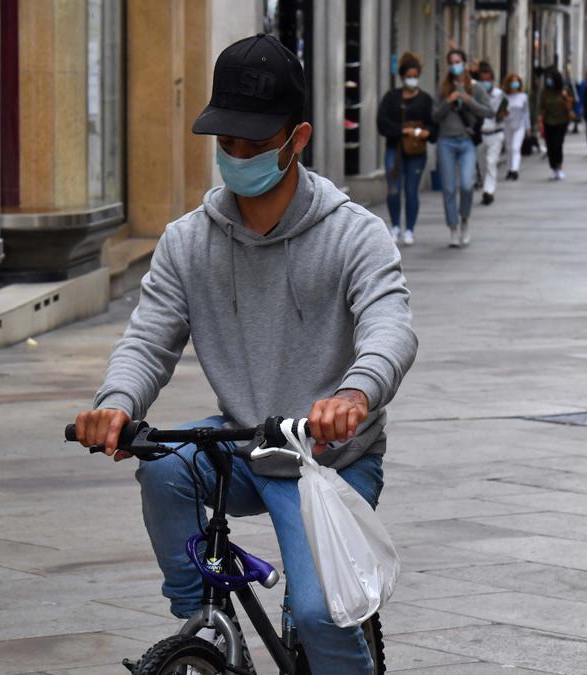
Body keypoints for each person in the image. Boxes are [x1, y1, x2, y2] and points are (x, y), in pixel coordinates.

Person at [73, 35, 418, 674]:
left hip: (329, 460)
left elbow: (390, 326)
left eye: (256, 144)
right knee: (162, 463)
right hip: (243, 443)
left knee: (318, 616)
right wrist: (115, 405)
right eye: (226, 142)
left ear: (298, 138)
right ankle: (202, 619)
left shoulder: (354, 234)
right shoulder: (187, 242)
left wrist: (355, 393)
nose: (238, 156)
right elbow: (148, 339)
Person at [432, 48, 492, 247]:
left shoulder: (475, 87)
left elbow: (489, 111)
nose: (454, 65)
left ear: (465, 63)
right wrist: (447, 103)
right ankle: (453, 228)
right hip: (446, 141)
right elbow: (434, 116)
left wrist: (469, 101)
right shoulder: (442, 88)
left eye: (458, 61)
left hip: (466, 141)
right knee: (448, 188)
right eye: (451, 62)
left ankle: (464, 219)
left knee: (467, 184)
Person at [377, 51, 435, 246]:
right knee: (393, 189)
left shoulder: (425, 99)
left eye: (415, 76)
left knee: (411, 190)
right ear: (402, 77)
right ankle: (395, 226)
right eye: (409, 76)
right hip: (395, 149)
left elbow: (434, 124)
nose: (412, 80)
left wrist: (427, 133)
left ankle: (409, 228)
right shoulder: (391, 98)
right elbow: (382, 123)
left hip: (417, 152)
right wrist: (403, 130)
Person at [475, 62, 505, 205]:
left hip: (495, 132)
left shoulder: (499, 94)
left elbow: (504, 111)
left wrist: (502, 114)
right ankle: (482, 182)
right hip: (480, 134)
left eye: (488, 80)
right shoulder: (475, 94)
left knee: (491, 162)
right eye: (482, 80)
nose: (485, 83)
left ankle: (489, 191)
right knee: (481, 164)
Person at [539, 68, 574, 180]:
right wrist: (539, 120)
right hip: (548, 121)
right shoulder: (545, 92)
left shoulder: (564, 90)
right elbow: (541, 107)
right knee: (550, 145)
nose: (549, 80)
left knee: (558, 144)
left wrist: (566, 97)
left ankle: (559, 167)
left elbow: (570, 106)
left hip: (562, 121)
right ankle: (553, 167)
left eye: (550, 78)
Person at [500, 73, 532, 181]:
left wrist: (528, 127)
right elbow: (501, 111)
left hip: (520, 125)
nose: (515, 83)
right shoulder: (504, 96)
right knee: (509, 148)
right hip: (507, 124)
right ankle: (509, 169)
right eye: (513, 81)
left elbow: (526, 112)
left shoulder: (523, 96)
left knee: (515, 147)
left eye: (517, 81)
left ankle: (515, 170)